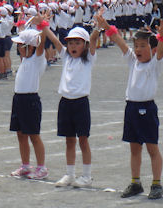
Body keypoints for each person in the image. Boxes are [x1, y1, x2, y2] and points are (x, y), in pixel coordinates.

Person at [95, 14, 163, 199]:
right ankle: (135, 182)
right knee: (134, 148)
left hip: (147, 109)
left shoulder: (154, 64)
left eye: (143, 46)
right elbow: (119, 41)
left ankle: (157, 184)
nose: (138, 49)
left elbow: (160, 52)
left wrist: (162, 37)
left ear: (151, 49)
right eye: (136, 46)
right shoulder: (133, 61)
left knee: (152, 148)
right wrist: (105, 26)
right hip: (131, 108)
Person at [33, 12, 99, 188]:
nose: (73, 46)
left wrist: (98, 28)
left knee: (83, 140)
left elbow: (93, 41)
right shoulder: (66, 57)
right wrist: (43, 25)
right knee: (69, 140)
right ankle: (70, 174)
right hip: (65, 103)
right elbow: (55, 40)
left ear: (84, 45)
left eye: (77, 43)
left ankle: (86, 176)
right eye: (70, 42)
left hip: (81, 103)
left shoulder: (89, 59)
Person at [9, 29, 49, 180]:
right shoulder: (25, 59)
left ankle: (41, 167)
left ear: (30, 47)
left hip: (30, 100)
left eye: (21, 46)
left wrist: (43, 27)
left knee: (34, 135)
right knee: (20, 134)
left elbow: (41, 43)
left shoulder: (37, 59)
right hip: (18, 99)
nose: (18, 49)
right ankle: (25, 165)